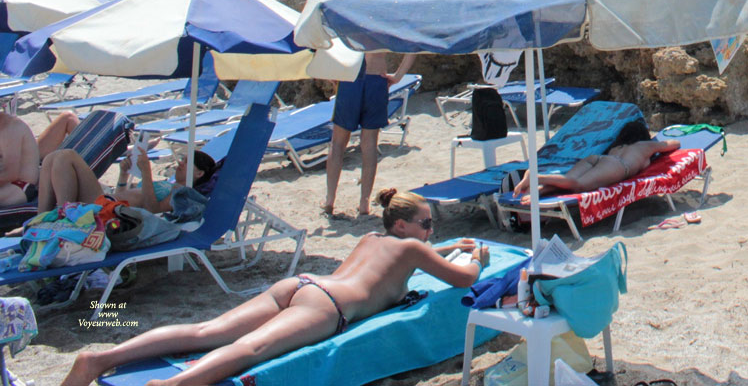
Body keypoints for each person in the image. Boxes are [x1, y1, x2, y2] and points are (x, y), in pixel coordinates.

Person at [61, 188, 489, 386]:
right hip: (328, 307)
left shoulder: (372, 239)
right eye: (427, 224)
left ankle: (100, 359)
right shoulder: (414, 251)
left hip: (302, 286)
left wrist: (447, 244)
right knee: (252, 350)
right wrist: (475, 256)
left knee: (207, 331)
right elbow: (465, 278)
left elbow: (393, 261)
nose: (431, 231)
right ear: (403, 225)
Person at [323, 0, 416, 216]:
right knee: (369, 145)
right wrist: (398, 75)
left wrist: (333, 74)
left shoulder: (346, 9)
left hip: (351, 79)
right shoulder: (386, 12)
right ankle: (364, 203)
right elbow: (413, 43)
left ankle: (330, 201)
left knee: (338, 144)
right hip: (376, 79)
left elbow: (326, 41)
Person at [513, 120, 681, 203]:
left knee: (570, 182)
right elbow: (674, 144)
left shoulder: (618, 146)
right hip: (618, 166)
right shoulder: (644, 146)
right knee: (579, 185)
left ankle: (541, 189)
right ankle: (535, 176)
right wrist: (653, 144)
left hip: (599, 158)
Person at [37, 147, 217, 214]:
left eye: (187, 162)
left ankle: (61, 216)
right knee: (51, 158)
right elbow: (124, 195)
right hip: (107, 202)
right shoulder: (169, 184)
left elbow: (152, 209)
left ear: (199, 173)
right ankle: (42, 218)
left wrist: (147, 172)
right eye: (182, 159)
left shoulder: (181, 193)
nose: (180, 163)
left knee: (66, 156)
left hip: (105, 211)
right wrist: (123, 175)